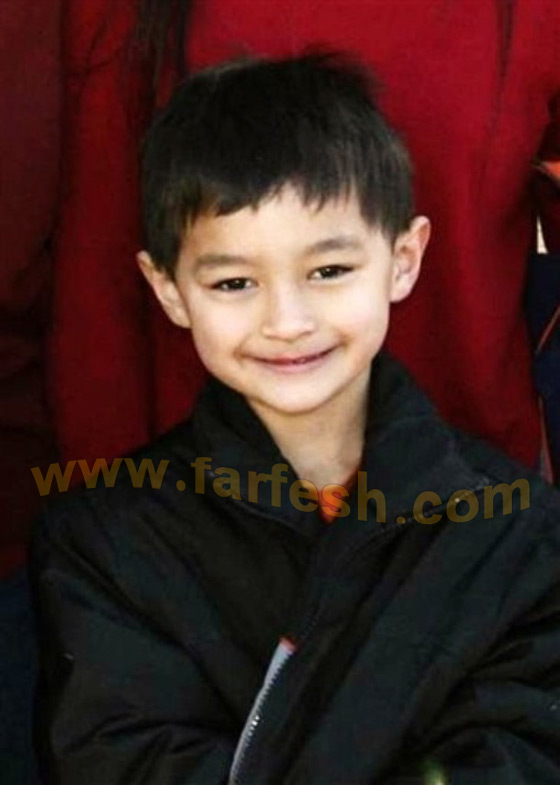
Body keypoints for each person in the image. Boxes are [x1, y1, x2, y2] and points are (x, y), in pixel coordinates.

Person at [32, 53, 560, 784]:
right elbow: (121, 760)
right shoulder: (105, 541)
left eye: (329, 271)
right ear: (169, 289)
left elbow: (524, 754)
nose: (287, 321)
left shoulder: (515, 529)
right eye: (234, 282)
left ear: (404, 258)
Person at [50, 0, 560, 480]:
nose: (289, 325)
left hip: (475, 488)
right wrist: (108, 505)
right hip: (202, 493)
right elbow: (99, 272)